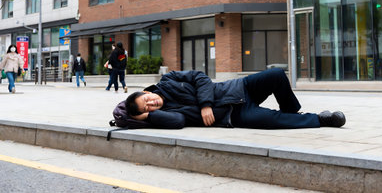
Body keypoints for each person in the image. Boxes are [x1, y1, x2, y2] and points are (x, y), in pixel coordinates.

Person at [125, 68, 346, 129]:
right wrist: (149, 117)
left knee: (277, 75)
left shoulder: (168, 79)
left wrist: (205, 105)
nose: (152, 103)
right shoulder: (165, 115)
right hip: (233, 114)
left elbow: (200, 77)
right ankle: (321, 120)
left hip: (238, 88)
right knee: (274, 120)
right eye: (148, 108)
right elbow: (178, 122)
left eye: (148, 99)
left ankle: (292, 111)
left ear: (147, 92)